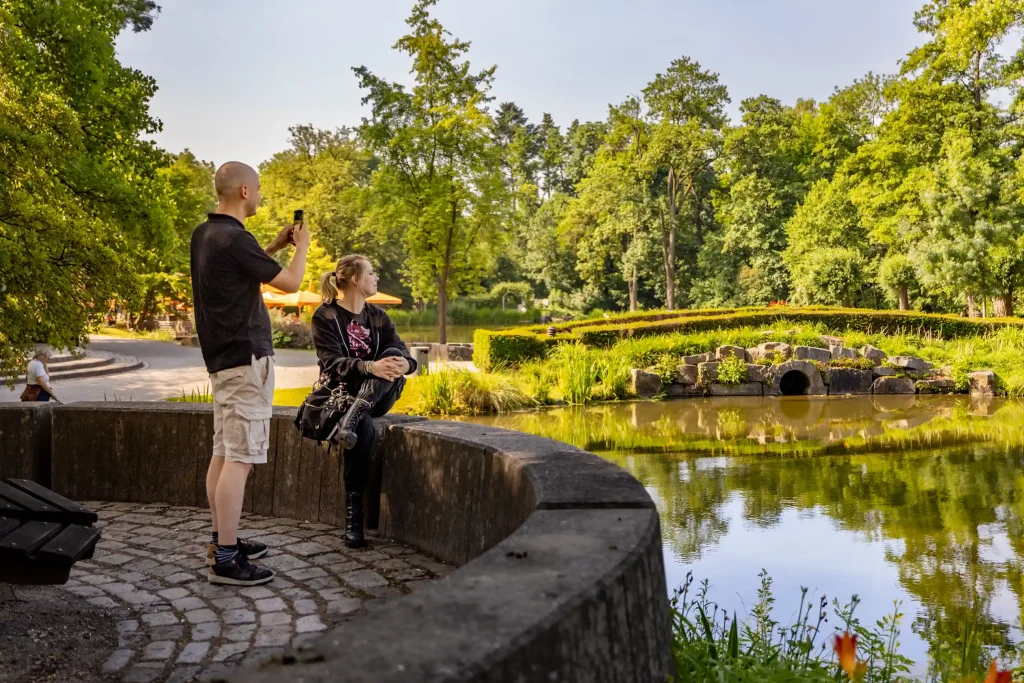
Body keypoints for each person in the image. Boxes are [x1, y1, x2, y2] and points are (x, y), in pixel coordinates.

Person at [190, 161, 309, 586]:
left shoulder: (206, 234)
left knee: (223, 454)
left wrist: (273, 246)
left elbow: (237, 277)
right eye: (257, 189)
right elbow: (293, 283)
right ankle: (225, 559)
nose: (259, 196)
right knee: (240, 460)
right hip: (247, 361)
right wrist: (302, 245)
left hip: (222, 360)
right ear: (244, 191)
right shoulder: (237, 239)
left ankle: (222, 539)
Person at [310, 255, 417, 548]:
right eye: (371, 272)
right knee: (364, 432)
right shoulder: (326, 316)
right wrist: (370, 367)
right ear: (356, 280)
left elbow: (405, 355)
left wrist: (404, 366)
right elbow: (331, 362)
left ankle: (352, 418)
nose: (376, 277)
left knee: (391, 353)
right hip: (342, 395)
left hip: (380, 395)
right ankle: (353, 520)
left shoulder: (378, 316)